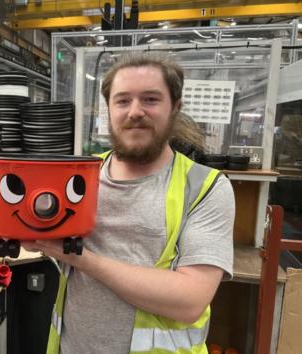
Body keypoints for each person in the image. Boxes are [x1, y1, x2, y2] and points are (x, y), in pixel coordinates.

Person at [23, 53, 235, 354]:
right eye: (122, 101)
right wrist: (37, 236)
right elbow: (54, 234)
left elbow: (190, 300)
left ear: (175, 108)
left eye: (150, 99)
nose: (135, 111)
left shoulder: (205, 188)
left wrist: (80, 257)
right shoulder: (78, 177)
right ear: (108, 109)